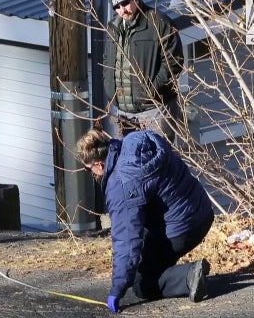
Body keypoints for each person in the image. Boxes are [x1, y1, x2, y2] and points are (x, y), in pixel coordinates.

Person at [76, 128, 214, 313]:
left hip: (182, 229)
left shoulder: (120, 185)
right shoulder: (136, 140)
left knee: (142, 283)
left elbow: (126, 239)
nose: (92, 174)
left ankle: (189, 277)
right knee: (146, 251)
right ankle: (172, 270)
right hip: (202, 209)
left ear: (99, 165)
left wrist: (118, 288)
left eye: (89, 169)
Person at [103, 0, 184, 143]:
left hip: (154, 109)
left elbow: (174, 63)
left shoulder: (159, 23)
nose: (122, 10)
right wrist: (109, 86)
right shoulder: (113, 27)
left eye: (125, 3)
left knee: (158, 159)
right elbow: (107, 60)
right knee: (129, 161)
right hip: (123, 112)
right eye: (117, 6)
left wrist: (149, 91)